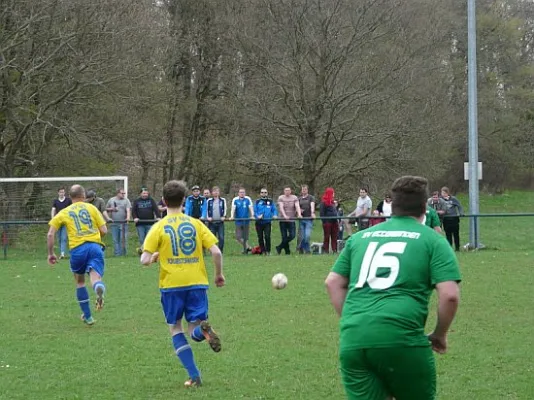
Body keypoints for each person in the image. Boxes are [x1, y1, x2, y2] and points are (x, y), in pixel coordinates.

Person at [325, 175, 461, 400]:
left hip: (355, 341)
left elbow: (332, 283)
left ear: (393, 205)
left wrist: (356, 322)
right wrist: (439, 335)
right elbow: (450, 296)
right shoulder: (433, 240)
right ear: (425, 206)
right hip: (402, 340)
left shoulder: (359, 238)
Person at [140, 180, 225, 388]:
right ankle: (203, 331)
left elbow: (144, 259)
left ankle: (194, 376)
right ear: (184, 200)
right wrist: (218, 275)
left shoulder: (158, 227)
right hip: (197, 282)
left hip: (171, 285)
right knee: (194, 328)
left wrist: (153, 257)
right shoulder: (196, 224)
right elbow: (216, 251)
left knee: (175, 328)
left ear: (163, 200)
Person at [47, 185, 108, 326]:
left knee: (80, 282)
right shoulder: (92, 208)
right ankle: (98, 286)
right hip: (94, 246)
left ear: (70, 196)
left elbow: (50, 234)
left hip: (77, 249)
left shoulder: (64, 212)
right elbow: (104, 229)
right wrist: (94, 236)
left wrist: (51, 253)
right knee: (95, 276)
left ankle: (88, 316)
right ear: (84, 195)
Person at [132, 187, 160, 253]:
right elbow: (133, 211)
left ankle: (150, 251)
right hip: (140, 224)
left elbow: (156, 209)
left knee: (149, 238)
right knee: (142, 239)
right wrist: (135, 218)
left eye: (146, 193)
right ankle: (143, 251)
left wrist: (158, 217)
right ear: (140, 194)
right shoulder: (136, 201)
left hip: (150, 223)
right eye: (144, 193)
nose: (145, 195)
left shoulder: (151, 200)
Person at [276, 186, 301, 255]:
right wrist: (285, 216)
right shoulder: (281, 198)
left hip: (291, 220)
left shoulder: (294, 197)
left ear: (291, 191)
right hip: (283, 220)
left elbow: (297, 206)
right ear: (284, 191)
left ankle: (279, 247)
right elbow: (281, 207)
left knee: (292, 235)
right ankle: (287, 252)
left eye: (288, 190)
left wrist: (299, 214)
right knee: (284, 236)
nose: (287, 192)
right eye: (286, 190)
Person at [106, 188, 131, 256]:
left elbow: (128, 210)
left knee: (123, 239)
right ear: (118, 193)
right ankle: (117, 254)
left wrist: (128, 218)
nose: (123, 195)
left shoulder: (126, 200)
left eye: (124, 193)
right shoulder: (111, 200)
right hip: (114, 223)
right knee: (115, 240)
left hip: (123, 223)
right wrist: (112, 209)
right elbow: (105, 209)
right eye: (122, 193)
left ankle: (124, 254)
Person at [202, 186, 227, 253]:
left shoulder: (222, 200)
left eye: (217, 191)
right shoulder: (209, 201)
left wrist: (224, 216)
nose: (216, 193)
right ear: (212, 193)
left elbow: (225, 209)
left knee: (221, 237)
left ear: (219, 192)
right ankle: (213, 251)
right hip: (212, 222)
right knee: (212, 238)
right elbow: (206, 210)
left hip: (220, 222)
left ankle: (220, 251)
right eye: (214, 191)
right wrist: (208, 217)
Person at [254, 188, 278, 255]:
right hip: (259, 222)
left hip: (267, 222)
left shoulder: (270, 201)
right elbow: (254, 211)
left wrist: (275, 215)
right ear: (260, 193)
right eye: (262, 192)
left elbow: (274, 210)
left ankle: (268, 251)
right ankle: (263, 251)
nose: (263, 193)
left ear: (267, 193)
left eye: (265, 192)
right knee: (260, 237)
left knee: (267, 236)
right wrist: (258, 216)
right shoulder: (257, 201)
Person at [230, 187, 255, 254]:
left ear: (245, 193)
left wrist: (252, 215)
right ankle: (248, 247)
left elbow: (250, 207)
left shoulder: (248, 199)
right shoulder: (235, 199)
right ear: (238, 193)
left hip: (246, 220)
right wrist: (232, 216)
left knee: (245, 237)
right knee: (238, 237)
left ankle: (245, 250)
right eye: (240, 192)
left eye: (243, 192)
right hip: (238, 221)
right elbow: (233, 208)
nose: (242, 193)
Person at [51, 187, 72, 259]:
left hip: (66, 222)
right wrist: (53, 219)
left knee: (64, 237)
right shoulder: (55, 201)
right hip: (58, 222)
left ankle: (62, 253)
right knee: (59, 238)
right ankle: (61, 252)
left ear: (64, 193)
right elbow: (53, 210)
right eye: (60, 192)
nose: (61, 193)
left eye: (63, 192)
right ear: (58, 193)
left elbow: (71, 209)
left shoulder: (68, 200)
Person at [440, 187, 464, 251]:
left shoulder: (453, 199)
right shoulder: (441, 200)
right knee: (448, 234)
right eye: (442, 193)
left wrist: (461, 213)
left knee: (456, 233)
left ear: (447, 193)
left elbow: (459, 206)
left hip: (454, 218)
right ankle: (449, 247)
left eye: (444, 193)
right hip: (446, 219)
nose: (443, 194)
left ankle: (457, 248)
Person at [297, 185, 316, 254]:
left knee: (307, 235)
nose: (304, 190)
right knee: (302, 235)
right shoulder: (299, 199)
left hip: (308, 219)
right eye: (303, 189)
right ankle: (307, 250)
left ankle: (301, 247)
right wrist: (299, 211)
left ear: (307, 190)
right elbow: (297, 207)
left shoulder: (311, 197)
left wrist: (312, 213)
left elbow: (312, 205)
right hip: (301, 219)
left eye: (305, 189)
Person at [319, 187, 339, 253]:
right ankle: (326, 250)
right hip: (327, 222)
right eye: (333, 193)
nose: (334, 194)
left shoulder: (333, 202)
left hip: (334, 221)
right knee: (327, 236)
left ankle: (334, 249)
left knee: (335, 236)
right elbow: (322, 213)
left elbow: (334, 211)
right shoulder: (323, 202)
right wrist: (324, 221)